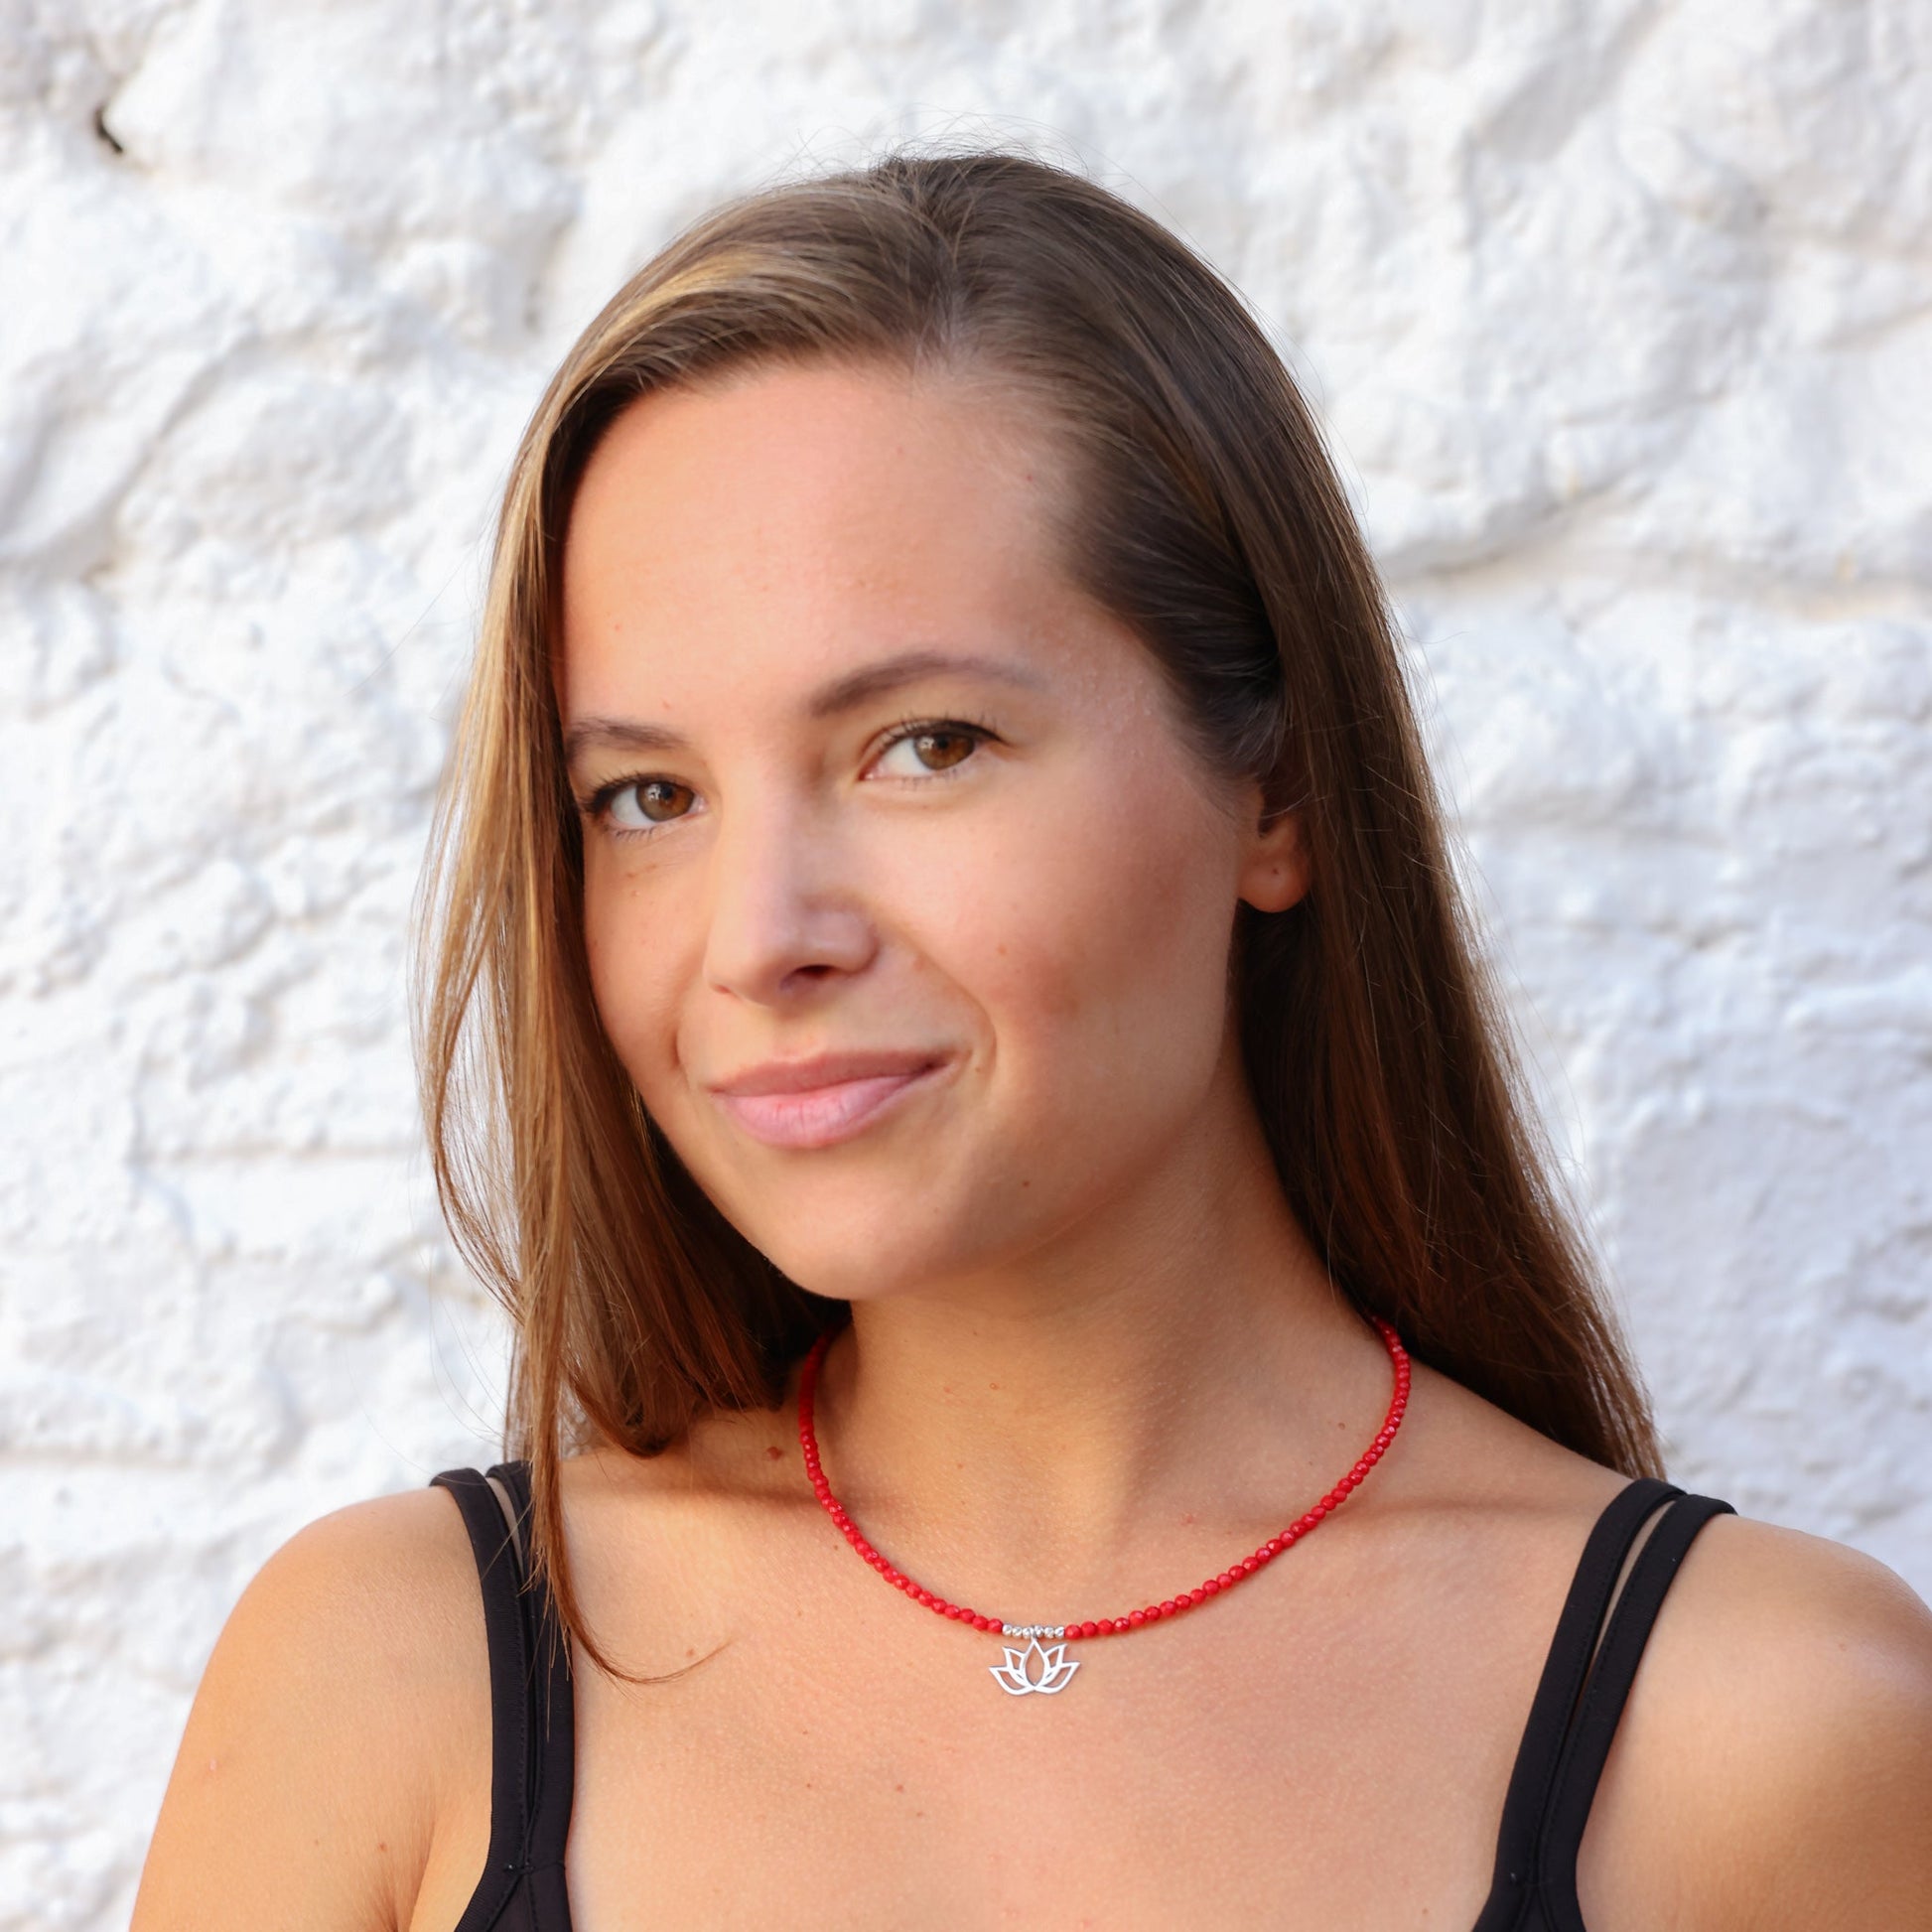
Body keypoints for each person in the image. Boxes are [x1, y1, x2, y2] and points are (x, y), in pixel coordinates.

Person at [132, 149, 1932, 1932]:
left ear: (1278, 791)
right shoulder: (390, 1680)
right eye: (647, 793)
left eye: (924, 745)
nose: (760, 939)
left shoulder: (1762, 1730)